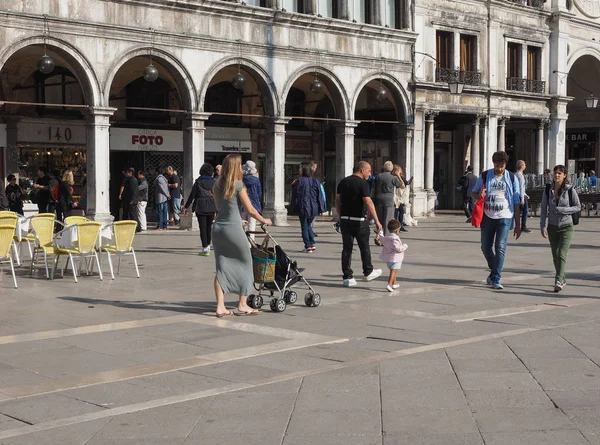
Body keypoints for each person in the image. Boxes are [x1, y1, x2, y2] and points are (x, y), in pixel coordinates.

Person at [212, 154, 272, 317]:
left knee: (221, 267)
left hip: (218, 228)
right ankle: (242, 304)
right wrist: (264, 220)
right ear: (236, 167)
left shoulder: (217, 185)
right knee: (246, 262)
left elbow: (220, 207)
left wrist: (236, 219)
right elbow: (251, 210)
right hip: (232, 228)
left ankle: (220, 306)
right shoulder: (238, 185)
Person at [471, 151, 522, 290]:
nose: (499, 167)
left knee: (500, 247)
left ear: (506, 164)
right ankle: (494, 272)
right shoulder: (485, 175)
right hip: (488, 216)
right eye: (497, 164)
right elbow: (473, 193)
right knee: (485, 247)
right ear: (493, 163)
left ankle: (496, 278)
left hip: (505, 216)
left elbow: (516, 202)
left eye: (502, 165)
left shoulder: (511, 178)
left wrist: (518, 224)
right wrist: (479, 195)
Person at [335, 161, 383, 287]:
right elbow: (368, 202)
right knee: (364, 247)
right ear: (362, 170)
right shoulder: (363, 183)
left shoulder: (343, 182)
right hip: (359, 221)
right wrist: (377, 220)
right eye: (369, 171)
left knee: (347, 249)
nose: (370, 173)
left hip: (345, 220)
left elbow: (337, 201)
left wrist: (341, 218)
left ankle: (347, 277)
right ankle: (368, 271)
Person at [540, 165, 581, 292]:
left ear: (564, 175)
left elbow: (578, 206)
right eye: (555, 173)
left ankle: (558, 280)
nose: (557, 175)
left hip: (566, 226)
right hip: (552, 226)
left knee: (561, 254)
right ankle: (562, 277)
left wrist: (563, 210)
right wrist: (542, 226)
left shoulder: (570, 190)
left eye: (559, 173)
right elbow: (543, 208)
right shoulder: (548, 189)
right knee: (555, 255)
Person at [290, 162, 326, 253]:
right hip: (314, 207)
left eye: (300, 168)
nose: (299, 170)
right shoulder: (315, 180)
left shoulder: (300, 181)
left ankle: (308, 245)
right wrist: (321, 207)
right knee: (308, 225)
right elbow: (320, 195)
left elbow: (295, 195)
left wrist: (293, 207)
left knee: (304, 227)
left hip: (303, 207)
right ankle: (312, 243)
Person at [184, 163, 216, 256]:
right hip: (211, 206)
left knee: (202, 228)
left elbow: (192, 195)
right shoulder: (213, 182)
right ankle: (208, 245)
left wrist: (186, 206)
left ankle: (205, 247)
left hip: (200, 206)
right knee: (209, 227)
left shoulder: (198, 181)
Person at [378, 219, 408, 293]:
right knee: (393, 271)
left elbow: (381, 238)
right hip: (395, 258)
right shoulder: (395, 239)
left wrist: (380, 232)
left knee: (394, 270)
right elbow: (398, 249)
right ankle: (389, 284)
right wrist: (405, 246)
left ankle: (394, 283)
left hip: (389, 258)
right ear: (396, 231)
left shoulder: (387, 237)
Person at [373, 161, 402, 235]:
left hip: (378, 199)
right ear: (392, 168)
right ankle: (386, 237)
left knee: (380, 219)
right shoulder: (393, 177)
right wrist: (398, 176)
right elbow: (401, 185)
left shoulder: (378, 176)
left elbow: (374, 188)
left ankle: (379, 236)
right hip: (389, 200)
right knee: (387, 219)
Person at [242, 160, 262, 241]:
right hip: (253, 204)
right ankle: (251, 242)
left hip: (243, 203)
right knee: (252, 224)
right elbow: (259, 193)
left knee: (242, 223)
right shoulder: (256, 180)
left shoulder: (242, 179)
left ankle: (242, 240)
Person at [393, 165, 413, 232]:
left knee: (400, 211)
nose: (400, 172)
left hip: (399, 197)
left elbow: (405, 184)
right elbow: (403, 186)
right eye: (399, 170)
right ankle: (397, 227)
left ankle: (399, 226)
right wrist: (398, 176)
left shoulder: (400, 177)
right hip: (396, 198)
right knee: (397, 212)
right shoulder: (395, 178)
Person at [515, 160, 531, 233]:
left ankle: (517, 226)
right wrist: (522, 198)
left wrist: (525, 194)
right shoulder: (520, 176)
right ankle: (523, 227)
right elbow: (521, 187)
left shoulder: (515, 174)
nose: (525, 166)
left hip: (519, 195)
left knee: (518, 211)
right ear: (522, 166)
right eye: (524, 165)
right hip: (520, 196)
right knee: (525, 211)